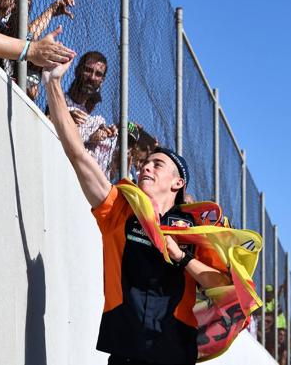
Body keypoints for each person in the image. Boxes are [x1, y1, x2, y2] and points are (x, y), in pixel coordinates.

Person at [42, 59, 231, 364]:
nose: (146, 167)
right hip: (125, 352)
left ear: (177, 182)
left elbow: (223, 288)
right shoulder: (119, 209)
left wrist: (181, 256)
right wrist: (52, 83)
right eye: (146, 162)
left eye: (158, 164)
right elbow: (77, 154)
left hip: (174, 353)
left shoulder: (196, 229)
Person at [48, 51, 119, 179]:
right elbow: (46, 123)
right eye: (88, 70)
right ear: (77, 71)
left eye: (98, 74)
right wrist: (65, 115)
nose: (92, 77)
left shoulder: (96, 121)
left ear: (102, 81)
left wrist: (110, 137)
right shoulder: (59, 100)